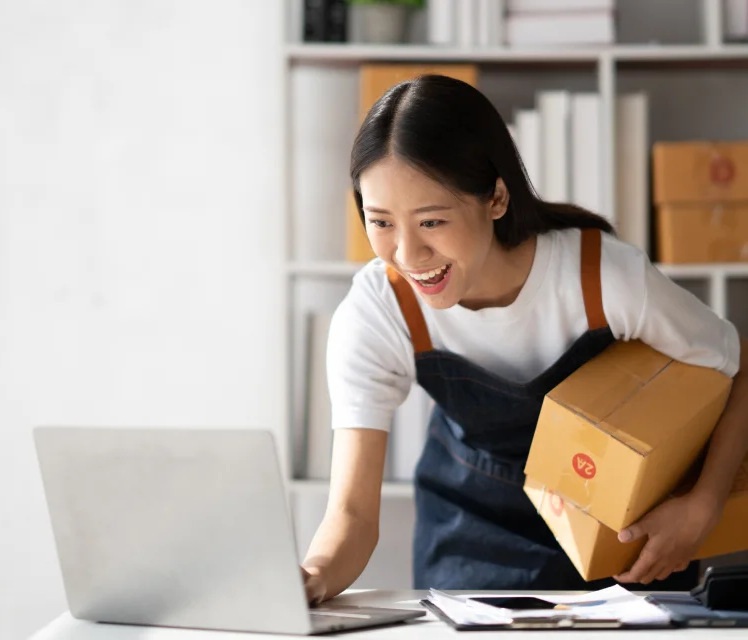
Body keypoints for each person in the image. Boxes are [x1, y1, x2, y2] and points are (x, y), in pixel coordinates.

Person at [300, 75, 747, 603]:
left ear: (496, 197)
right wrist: (308, 581)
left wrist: (703, 505)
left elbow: (733, 367)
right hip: (470, 540)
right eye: (380, 222)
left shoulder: (601, 279)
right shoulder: (379, 311)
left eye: (432, 220)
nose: (407, 254)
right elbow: (350, 517)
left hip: (621, 539)